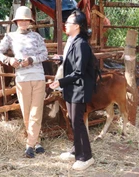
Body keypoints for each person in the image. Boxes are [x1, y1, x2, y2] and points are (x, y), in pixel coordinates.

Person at [0, 5, 48, 158]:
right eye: (21, 20)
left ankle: (30, 146)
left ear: (30, 21)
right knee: (26, 111)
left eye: (26, 20)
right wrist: (9, 60)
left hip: (38, 76)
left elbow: (44, 54)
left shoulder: (37, 36)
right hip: (22, 78)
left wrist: (32, 59)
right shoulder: (10, 36)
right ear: (16, 21)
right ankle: (36, 142)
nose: (24, 23)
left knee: (36, 112)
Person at [50, 9, 96, 171]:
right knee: (72, 120)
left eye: (68, 23)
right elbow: (74, 62)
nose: (65, 26)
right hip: (73, 87)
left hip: (79, 88)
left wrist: (60, 82)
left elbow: (79, 71)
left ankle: (86, 157)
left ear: (76, 26)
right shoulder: (74, 41)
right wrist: (62, 59)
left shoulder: (81, 44)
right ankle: (76, 150)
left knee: (77, 122)